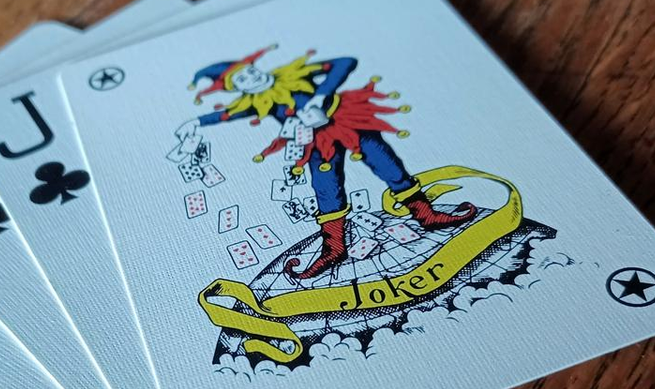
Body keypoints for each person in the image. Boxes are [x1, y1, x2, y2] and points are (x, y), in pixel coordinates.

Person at [176, 46, 476, 279]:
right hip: (318, 140)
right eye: (242, 80)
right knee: (325, 189)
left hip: (346, 119)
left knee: (388, 165)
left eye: (249, 71)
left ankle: (426, 215)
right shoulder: (256, 102)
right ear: (238, 89)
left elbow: (345, 62)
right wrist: (195, 122)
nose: (251, 77)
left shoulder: (294, 73)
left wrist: (320, 96)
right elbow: (224, 115)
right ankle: (334, 248)